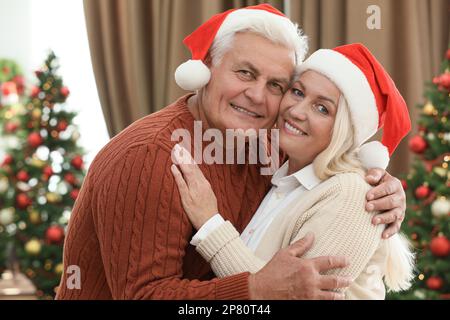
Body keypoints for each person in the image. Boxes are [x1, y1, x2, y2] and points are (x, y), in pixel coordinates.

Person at [56, 4, 407, 300]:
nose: (256, 95)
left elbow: (336, 177)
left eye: (276, 85)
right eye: (245, 73)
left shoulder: (270, 148)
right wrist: (254, 289)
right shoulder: (150, 156)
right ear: (207, 68)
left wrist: (383, 188)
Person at [171, 43, 415, 299]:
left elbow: (284, 294)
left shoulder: (351, 195)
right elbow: (274, 284)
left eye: (322, 108)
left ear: (343, 130)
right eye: (297, 92)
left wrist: (210, 223)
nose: (296, 111)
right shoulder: (281, 174)